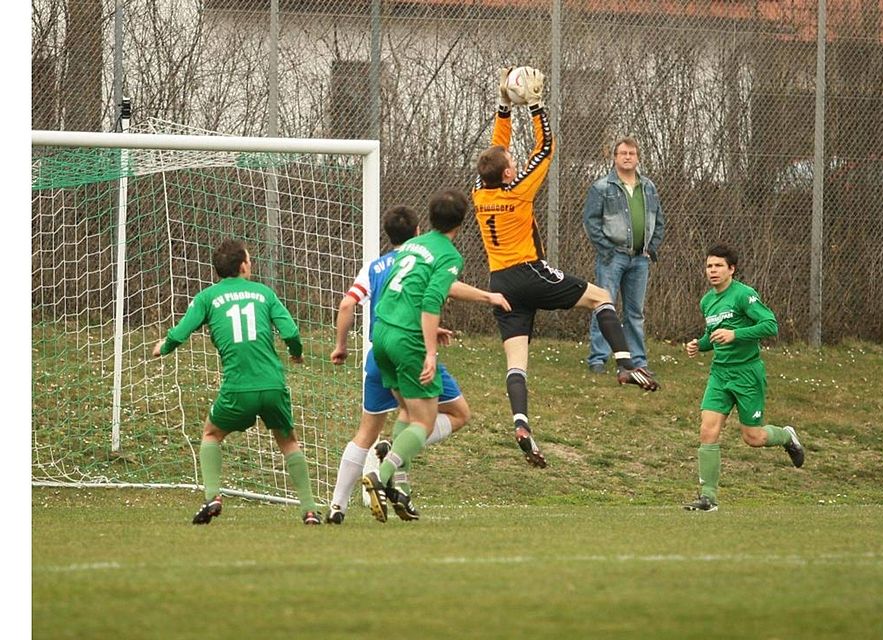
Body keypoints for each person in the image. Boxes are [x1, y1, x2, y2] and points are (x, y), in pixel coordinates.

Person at [471, 66, 659, 469]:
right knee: (602, 297)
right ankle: (626, 364)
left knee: (516, 362)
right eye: (512, 161)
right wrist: (535, 106)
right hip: (528, 272)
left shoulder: (479, 193)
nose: (514, 160)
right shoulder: (518, 191)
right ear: (508, 173)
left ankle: (521, 423)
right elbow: (546, 148)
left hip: (499, 283)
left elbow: (495, 151)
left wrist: (504, 107)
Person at [328, 205, 507, 524]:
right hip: (410, 346)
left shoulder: (375, 266)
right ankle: (388, 468)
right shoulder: (429, 254)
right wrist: (430, 344)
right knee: (450, 415)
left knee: (372, 429)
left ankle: (339, 506)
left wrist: (341, 345)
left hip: (379, 350)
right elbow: (434, 295)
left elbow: (348, 304)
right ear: (417, 230)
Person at [152, 239, 321, 525]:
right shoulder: (264, 293)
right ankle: (309, 510)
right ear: (243, 265)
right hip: (272, 385)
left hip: (237, 388)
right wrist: (296, 353)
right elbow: (291, 332)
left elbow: (180, 333)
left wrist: (164, 347)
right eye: (249, 260)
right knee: (289, 442)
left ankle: (213, 496)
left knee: (211, 435)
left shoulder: (207, 298)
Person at [683, 244, 805, 512]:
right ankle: (708, 498)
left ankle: (786, 436)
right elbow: (713, 335)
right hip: (720, 374)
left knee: (753, 438)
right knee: (707, 430)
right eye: (709, 266)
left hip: (747, 373)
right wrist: (699, 345)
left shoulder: (744, 295)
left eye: (718, 266)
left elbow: (770, 325)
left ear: (731, 269)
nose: (713, 271)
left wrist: (735, 334)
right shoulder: (707, 301)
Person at [582, 136, 665, 374]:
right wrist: (606, 249)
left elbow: (659, 220)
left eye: (632, 153)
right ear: (615, 158)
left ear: (638, 158)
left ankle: (638, 361)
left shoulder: (648, 187)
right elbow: (591, 222)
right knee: (603, 306)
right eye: (623, 153)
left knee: (635, 313)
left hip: (640, 259)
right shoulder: (601, 187)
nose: (628, 157)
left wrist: (651, 248)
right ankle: (598, 358)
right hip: (612, 258)